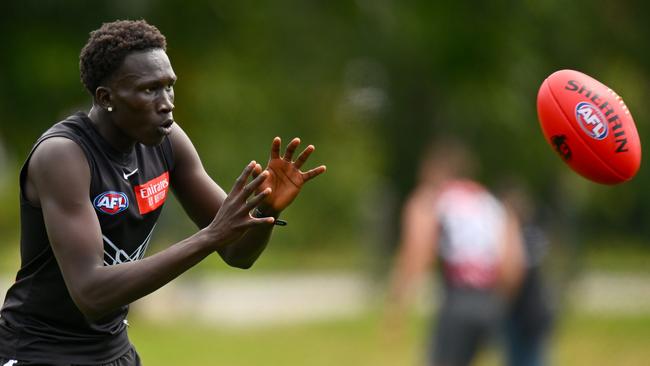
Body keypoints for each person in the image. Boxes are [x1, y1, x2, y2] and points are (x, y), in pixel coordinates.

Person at [0, 19, 326, 365]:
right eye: (149, 89)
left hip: (113, 351)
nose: (167, 102)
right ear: (106, 97)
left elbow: (237, 254)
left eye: (169, 87)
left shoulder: (168, 142)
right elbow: (90, 293)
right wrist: (210, 236)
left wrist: (265, 212)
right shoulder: (63, 155)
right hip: (39, 351)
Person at [385, 139, 524, 366]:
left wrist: (397, 306)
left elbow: (417, 252)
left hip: (458, 299)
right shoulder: (491, 203)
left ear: (435, 169)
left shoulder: (433, 199)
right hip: (489, 302)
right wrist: (497, 305)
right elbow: (513, 264)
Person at [498, 180, 554, 366]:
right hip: (539, 307)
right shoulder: (535, 232)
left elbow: (514, 274)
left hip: (521, 312)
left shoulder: (515, 236)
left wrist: (500, 302)